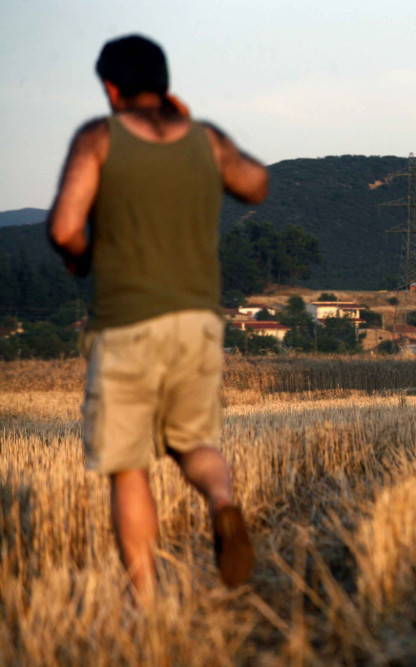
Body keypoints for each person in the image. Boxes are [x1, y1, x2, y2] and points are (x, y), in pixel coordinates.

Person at [47, 34, 269, 600]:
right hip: (197, 322)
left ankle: (145, 604)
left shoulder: (99, 137)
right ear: (166, 85)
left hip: (127, 323)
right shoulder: (207, 140)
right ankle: (222, 503)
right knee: (194, 443)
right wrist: (200, 133)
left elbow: (64, 228)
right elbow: (256, 184)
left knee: (129, 467)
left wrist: (81, 259)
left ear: (112, 88)